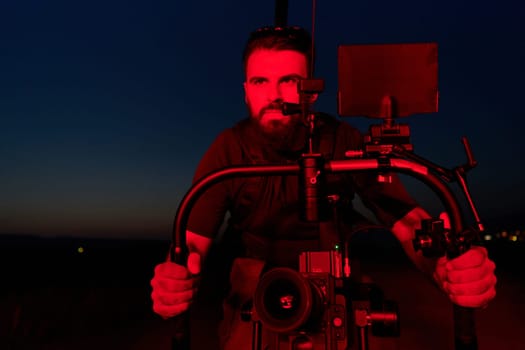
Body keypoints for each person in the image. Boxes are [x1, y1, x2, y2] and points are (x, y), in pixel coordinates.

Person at [150, 25, 497, 349]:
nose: (273, 95)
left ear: (311, 90)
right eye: (259, 81)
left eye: (288, 81)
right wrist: (173, 283)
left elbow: (406, 221)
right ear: (245, 91)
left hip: (334, 274)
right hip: (256, 282)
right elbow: (190, 243)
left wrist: (447, 270)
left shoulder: (342, 139)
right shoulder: (228, 149)